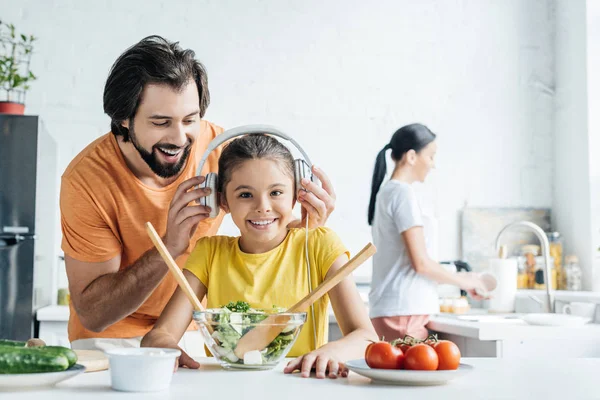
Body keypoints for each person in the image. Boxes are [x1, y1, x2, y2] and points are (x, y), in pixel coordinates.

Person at [60, 35, 336, 351]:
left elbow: (261, 228)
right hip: (106, 341)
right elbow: (95, 315)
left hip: (185, 332)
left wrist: (304, 228)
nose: (180, 138)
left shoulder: (218, 153)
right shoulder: (86, 180)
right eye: (161, 122)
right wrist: (170, 246)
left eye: (190, 120)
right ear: (123, 119)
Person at [141, 134, 377, 379]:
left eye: (276, 192)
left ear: (298, 194)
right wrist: (161, 347)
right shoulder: (210, 252)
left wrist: (333, 351)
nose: (262, 206)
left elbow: (366, 337)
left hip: (302, 386)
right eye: (245, 195)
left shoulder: (319, 245)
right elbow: (158, 335)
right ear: (221, 200)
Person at [367, 123, 487, 341]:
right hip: (404, 314)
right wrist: (464, 281)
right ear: (411, 156)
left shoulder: (388, 192)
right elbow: (420, 263)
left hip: (395, 311)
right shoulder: (402, 194)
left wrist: (462, 278)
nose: (433, 165)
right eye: (431, 156)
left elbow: (410, 263)